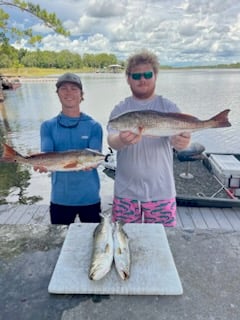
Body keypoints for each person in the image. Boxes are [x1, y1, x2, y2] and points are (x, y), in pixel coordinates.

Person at [107, 50, 191, 227]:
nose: (142, 80)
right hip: (126, 193)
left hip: (161, 192)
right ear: (128, 78)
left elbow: (180, 139)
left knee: (162, 242)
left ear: (155, 76)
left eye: (147, 74)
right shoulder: (121, 109)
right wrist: (122, 140)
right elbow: (111, 139)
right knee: (125, 243)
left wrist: (181, 142)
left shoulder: (168, 106)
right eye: (136, 75)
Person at [36, 72, 103, 224]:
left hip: (90, 197)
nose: (69, 93)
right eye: (64, 88)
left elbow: (96, 157)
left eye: (74, 88)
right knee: (59, 243)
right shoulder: (47, 126)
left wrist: (92, 164)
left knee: (91, 242)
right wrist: (41, 163)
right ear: (57, 94)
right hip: (60, 198)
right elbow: (47, 154)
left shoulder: (94, 126)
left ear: (81, 94)